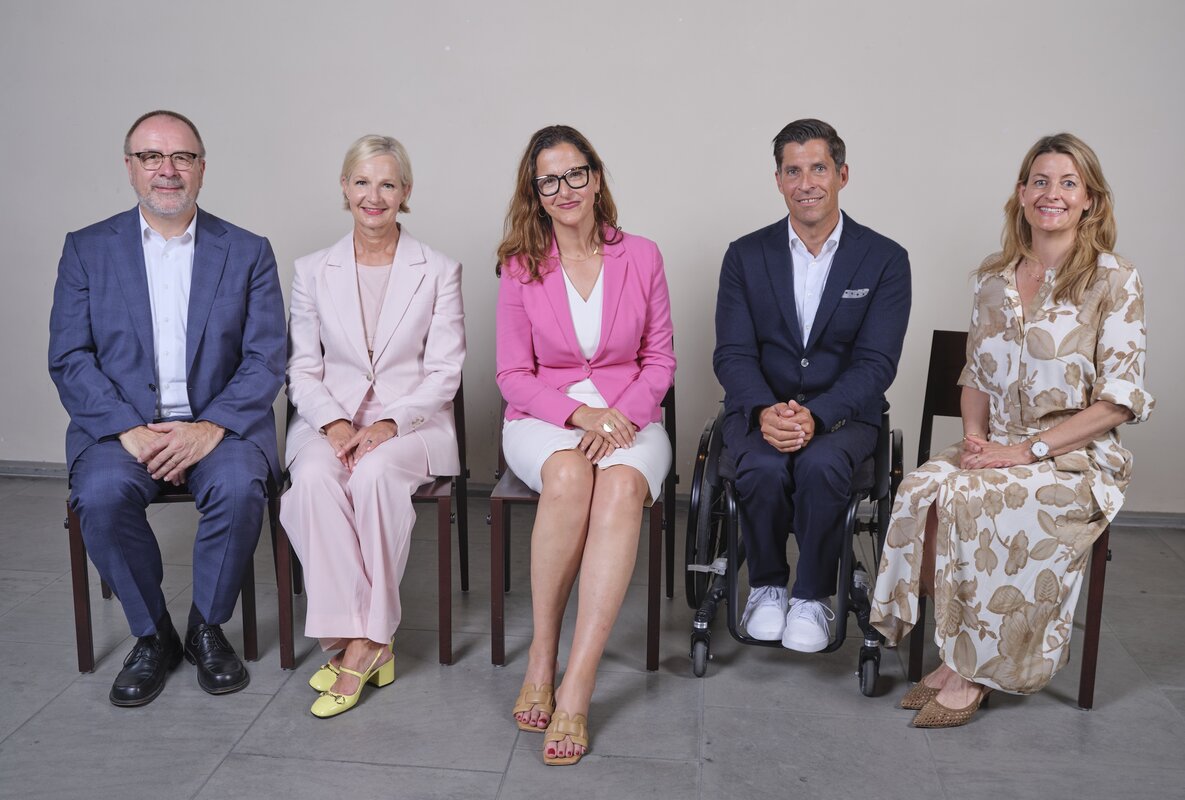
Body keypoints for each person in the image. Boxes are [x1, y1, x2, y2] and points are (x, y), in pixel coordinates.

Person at [870, 133, 1153, 727]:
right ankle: (957, 650)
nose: (1052, 193)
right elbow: (974, 373)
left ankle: (974, 669)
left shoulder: (1114, 280)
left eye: (1068, 183)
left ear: (1090, 201)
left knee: (971, 500)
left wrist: (1025, 451)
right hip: (997, 443)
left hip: (1078, 459)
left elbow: (1119, 403)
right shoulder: (993, 278)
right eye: (1040, 181)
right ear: (1022, 195)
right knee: (921, 490)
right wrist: (976, 441)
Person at [48, 110, 286, 707]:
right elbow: (70, 357)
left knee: (237, 488)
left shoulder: (249, 251)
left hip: (219, 426)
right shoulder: (87, 250)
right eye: (152, 157)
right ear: (130, 167)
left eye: (182, 157)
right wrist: (127, 428)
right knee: (99, 496)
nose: (167, 170)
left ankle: (207, 628)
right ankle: (152, 633)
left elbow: (265, 358)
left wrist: (209, 429)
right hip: (119, 429)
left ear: (203, 168)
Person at [496, 125, 675, 765]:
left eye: (576, 174)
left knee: (623, 485)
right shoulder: (521, 266)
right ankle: (542, 653)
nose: (566, 189)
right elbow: (512, 375)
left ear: (596, 178)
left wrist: (618, 416)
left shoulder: (643, 256)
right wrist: (580, 417)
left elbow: (659, 360)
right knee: (570, 476)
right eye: (550, 180)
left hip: (630, 415)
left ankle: (578, 681)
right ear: (537, 194)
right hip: (545, 417)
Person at [281, 135, 465, 719]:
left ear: (405, 193)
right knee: (311, 481)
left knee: (373, 476)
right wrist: (334, 424)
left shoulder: (438, 271)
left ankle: (365, 644)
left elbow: (445, 371)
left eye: (388, 184)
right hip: (329, 422)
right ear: (344, 188)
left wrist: (388, 422)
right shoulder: (311, 271)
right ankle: (361, 634)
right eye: (362, 182)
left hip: (413, 425)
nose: (374, 196)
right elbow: (302, 368)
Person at [714, 118, 911, 652]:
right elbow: (732, 353)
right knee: (760, 464)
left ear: (842, 174)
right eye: (793, 170)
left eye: (818, 168)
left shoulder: (885, 259)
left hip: (845, 415)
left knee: (824, 465)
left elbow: (876, 362)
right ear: (778, 180)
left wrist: (817, 415)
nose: (806, 183)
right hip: (761, 409)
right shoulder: (745, 256)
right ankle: (769, 588)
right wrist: (762, 411)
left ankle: (811, 596)